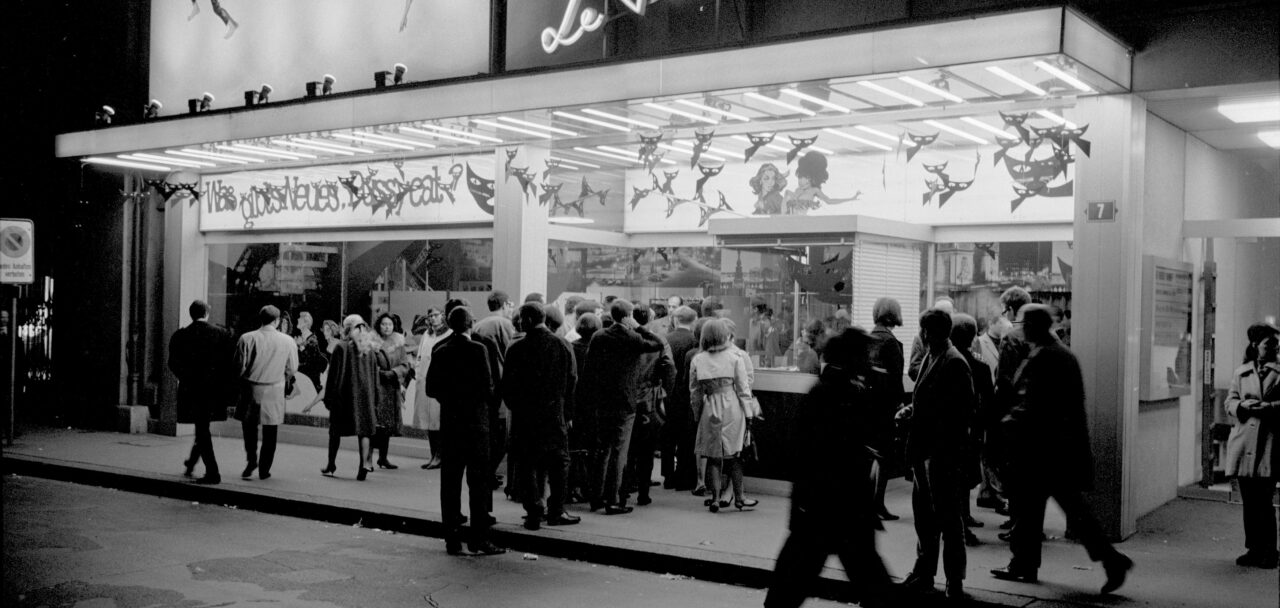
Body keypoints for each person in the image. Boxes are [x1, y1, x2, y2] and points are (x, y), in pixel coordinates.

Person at [990, 304, 1134, 594]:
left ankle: (1026, 564)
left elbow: (1032, 406)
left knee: (1032, 509)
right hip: (1056, 450)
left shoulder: (1046, 356)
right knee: (1068, 511)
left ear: (1033, 326)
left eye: (1023, 324)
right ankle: (1106, 559)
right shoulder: (1057, 354)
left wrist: (1005, 426)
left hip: (1041, 451)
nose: (1020, 329)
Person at [764, 330, 892, 608]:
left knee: (791, 581)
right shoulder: (847, 393)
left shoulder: (825, 390)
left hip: (818, 505)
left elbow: (803, 449)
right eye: (866, 356)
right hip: (841, 504)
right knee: (870, 579)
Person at [898, 308, 972, 600]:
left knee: (948, 520)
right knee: (925, 519)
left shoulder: (954, 363)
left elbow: (960, 413)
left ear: (931, 332)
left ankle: (954, 581)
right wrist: (910, 411)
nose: (922, 336)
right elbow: (929, 400)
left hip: (942, 455)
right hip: (925, 452)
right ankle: (924, 572)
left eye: (923, 330)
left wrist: (920, 419)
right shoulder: (934, 356)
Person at [426, 306, 505, 556]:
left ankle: (452, 539)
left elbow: (431, 389)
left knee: (450, 482)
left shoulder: (440, 350)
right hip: (476, 424)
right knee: (478, 482)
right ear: (470, 324)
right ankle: (479, 538)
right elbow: (488, 387)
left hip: (451, 424)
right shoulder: (478, 349)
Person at [501, 303, 581, 530]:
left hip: (525, 418)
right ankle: (557, 510)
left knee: (528, 465)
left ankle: (534, 511)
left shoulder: (516, 349)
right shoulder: (562, 344)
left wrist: (517, 407)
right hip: (554, 415)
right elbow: (571, 382)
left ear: (524, 321)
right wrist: (567, 413)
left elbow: (507, 388)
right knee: (559, 463)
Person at [581, 299, 665, 514]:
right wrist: (638, 327)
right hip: (625, 401)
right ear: (628, 316)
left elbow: (589, 369)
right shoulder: (633, 337)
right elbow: (658, 343)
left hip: (602, 400)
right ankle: (614, 499)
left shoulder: (599, 336)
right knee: (619, 451)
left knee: (602, 450)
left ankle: (596, 497)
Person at [1223, 322, 1279, 569]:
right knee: (1250, 501)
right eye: (1270, 343)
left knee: (1265, 500)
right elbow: (1229, 402)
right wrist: (1240, 407)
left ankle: (1270, 551)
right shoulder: (1241, 372)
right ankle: (1254, 549)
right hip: (1245, 441)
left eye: (1276, 344)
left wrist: (1271, 408)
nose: (1275, 347)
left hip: (1269, 442)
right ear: (1256, 345)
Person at [691, 319, 758, 512]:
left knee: (713, 456)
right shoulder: (735, 357)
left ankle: (715, 498)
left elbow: (694, 392)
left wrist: (697, 414)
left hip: (710, 405)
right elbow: (744, 389)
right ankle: (740, 497)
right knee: (735, 455)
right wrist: (749, 415)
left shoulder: (698, 359)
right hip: (732, 405)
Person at [168, 300, 233, 485]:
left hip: (191, 389)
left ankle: (202, 467)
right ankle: (207, 469)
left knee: (201, 427)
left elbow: (173, 363)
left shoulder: (181, 335)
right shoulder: (220, 334)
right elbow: (229, 364)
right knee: (203, 427)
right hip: (213, 390)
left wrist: (187, 377)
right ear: (207, 313)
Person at [234, 305, 298, 481]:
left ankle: (251, 459)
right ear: (277, 321)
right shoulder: (287, 341)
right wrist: (283, 377)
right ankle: (264, 468)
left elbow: (239, 366)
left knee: (249, 427)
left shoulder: (247, 338)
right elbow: (292, 367)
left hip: (251, 388)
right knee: (271, 431)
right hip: (274, 388)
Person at [622, 304, 674, 506]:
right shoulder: (657, 342)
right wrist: (665, 391)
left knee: (626, 448)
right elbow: (669, 368)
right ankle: (643, 491)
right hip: (649, 399)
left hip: (627, 395)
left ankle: (623, 488)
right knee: (647, 448)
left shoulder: (623, 339)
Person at [951, 313, 994, 546]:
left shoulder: (944, 361)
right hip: (973, 430)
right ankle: (963, 522)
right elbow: (988, 403)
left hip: (951, 429)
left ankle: (962, 518)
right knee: (967, 475)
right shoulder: (980, 366)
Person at [321, 315, 382, 480]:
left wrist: (329, 398)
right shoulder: (368, 348)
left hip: (345, 396)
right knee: (364, 432)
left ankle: (331, 464)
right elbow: (375, 376)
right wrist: (376, 398)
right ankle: (364, 465)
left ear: (346, 328)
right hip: (365, 397)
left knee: (335, 431)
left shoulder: (341, 347)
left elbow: (334, 376)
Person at [993, 287, 1033, 529]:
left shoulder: (1011, 338)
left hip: (1016, 417)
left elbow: (1004, 381)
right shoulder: (1051, 337)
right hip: (1041, 419)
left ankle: (1018, 527)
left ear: (1009, 309)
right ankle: (1029, 527)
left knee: (1015, 476)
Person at [867, 297, 905, 523]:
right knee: (884, 458)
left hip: (867, 407)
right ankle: (877, 503)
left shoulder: (868, 340)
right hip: (885, 409)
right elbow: (894, 381)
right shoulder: (891, 343)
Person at [661, 305, 700, 491]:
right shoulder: (694, 341)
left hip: (668, 394)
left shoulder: (665, 339)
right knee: (685, 437)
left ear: (675, 320)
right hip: (686, 394)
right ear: (694, 321)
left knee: (668, 436)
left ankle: (668, 475)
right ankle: (682, 474)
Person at [568, 312, 603, 503]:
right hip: (595, 404)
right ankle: (592, 487)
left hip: (576, 404)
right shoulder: (600, 349)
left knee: (574, 448)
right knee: (594, 448)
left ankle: (574, 486)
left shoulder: (571, 347)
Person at [373, 313, 412, 469]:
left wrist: (394, 372)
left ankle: (383, 457)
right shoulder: (372, 342)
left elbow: (405, 365)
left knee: (388, 424)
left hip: (391, 387)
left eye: (389, 324)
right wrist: (379, 373)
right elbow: (367, 363)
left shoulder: (399, 343)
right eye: (383, 324)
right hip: (377, 386)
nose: (387, 327)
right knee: (376, 423)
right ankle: (368, 456)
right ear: (379, 325)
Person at [413, 308, 450, 470]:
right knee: (428, 420)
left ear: (442, 316)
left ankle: (440, 456)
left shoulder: (448, 334)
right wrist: (418, 372)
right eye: (430, 316)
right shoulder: (427, 335)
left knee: (438, 420)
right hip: (424, 381)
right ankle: (433, 454)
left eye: (436, 315)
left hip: (439, 383)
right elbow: (420, 356)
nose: (433, 318)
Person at [908, 296, 954, 381]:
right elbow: (913, 370)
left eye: (948, 313)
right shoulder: (921, 338)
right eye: (939, 314)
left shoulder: (957, 337)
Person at [293, 311, 328, 398]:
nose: (297, 319)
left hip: (310, 383)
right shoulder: (302, 338)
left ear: (305, 322)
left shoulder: (312, 339)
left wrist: (299, 347)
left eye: (300, 318)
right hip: (303, 379)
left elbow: (309, 363)